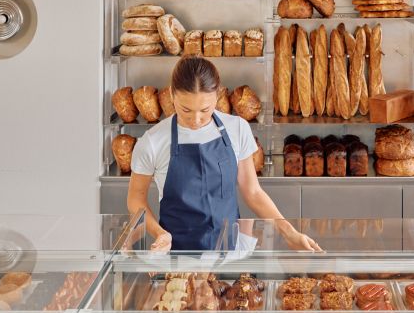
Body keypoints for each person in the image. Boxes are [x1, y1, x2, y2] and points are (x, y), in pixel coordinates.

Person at [127, 55, 320, 252]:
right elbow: (135, 198)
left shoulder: (237, 128)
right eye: (186, 110)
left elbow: (252, 192)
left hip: (229, 250)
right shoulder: (152, 141)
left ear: (218, 95)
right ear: (172, 95)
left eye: (205, 109)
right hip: (177, 254)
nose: (196, 119)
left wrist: (289, 231)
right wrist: (159, 233)